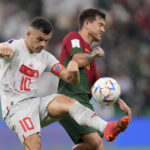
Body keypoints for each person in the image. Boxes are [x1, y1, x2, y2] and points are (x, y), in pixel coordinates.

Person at [0, 17, 129, 150]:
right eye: (40, 39)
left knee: (65, 100)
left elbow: (68, 77)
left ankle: (106, 127)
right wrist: (2, 47)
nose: (43, 44)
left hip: (34, 102)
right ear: (28, 34)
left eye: (46, 40)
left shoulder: (45, 57)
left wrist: (74, 71)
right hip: (15, 108)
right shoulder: (14, 46)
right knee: (35, 145)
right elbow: (4, 47)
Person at [58, 8, 132, 150]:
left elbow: (97, 84)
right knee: (96, 143)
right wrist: (95, 53)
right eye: (100, 25)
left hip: (84, 104)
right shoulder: (74, 38)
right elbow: (77, 60)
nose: (103, 30)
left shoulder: (89, 54)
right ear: (87, 24)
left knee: (91, 145)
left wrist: (119, 100)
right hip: (69, 101)